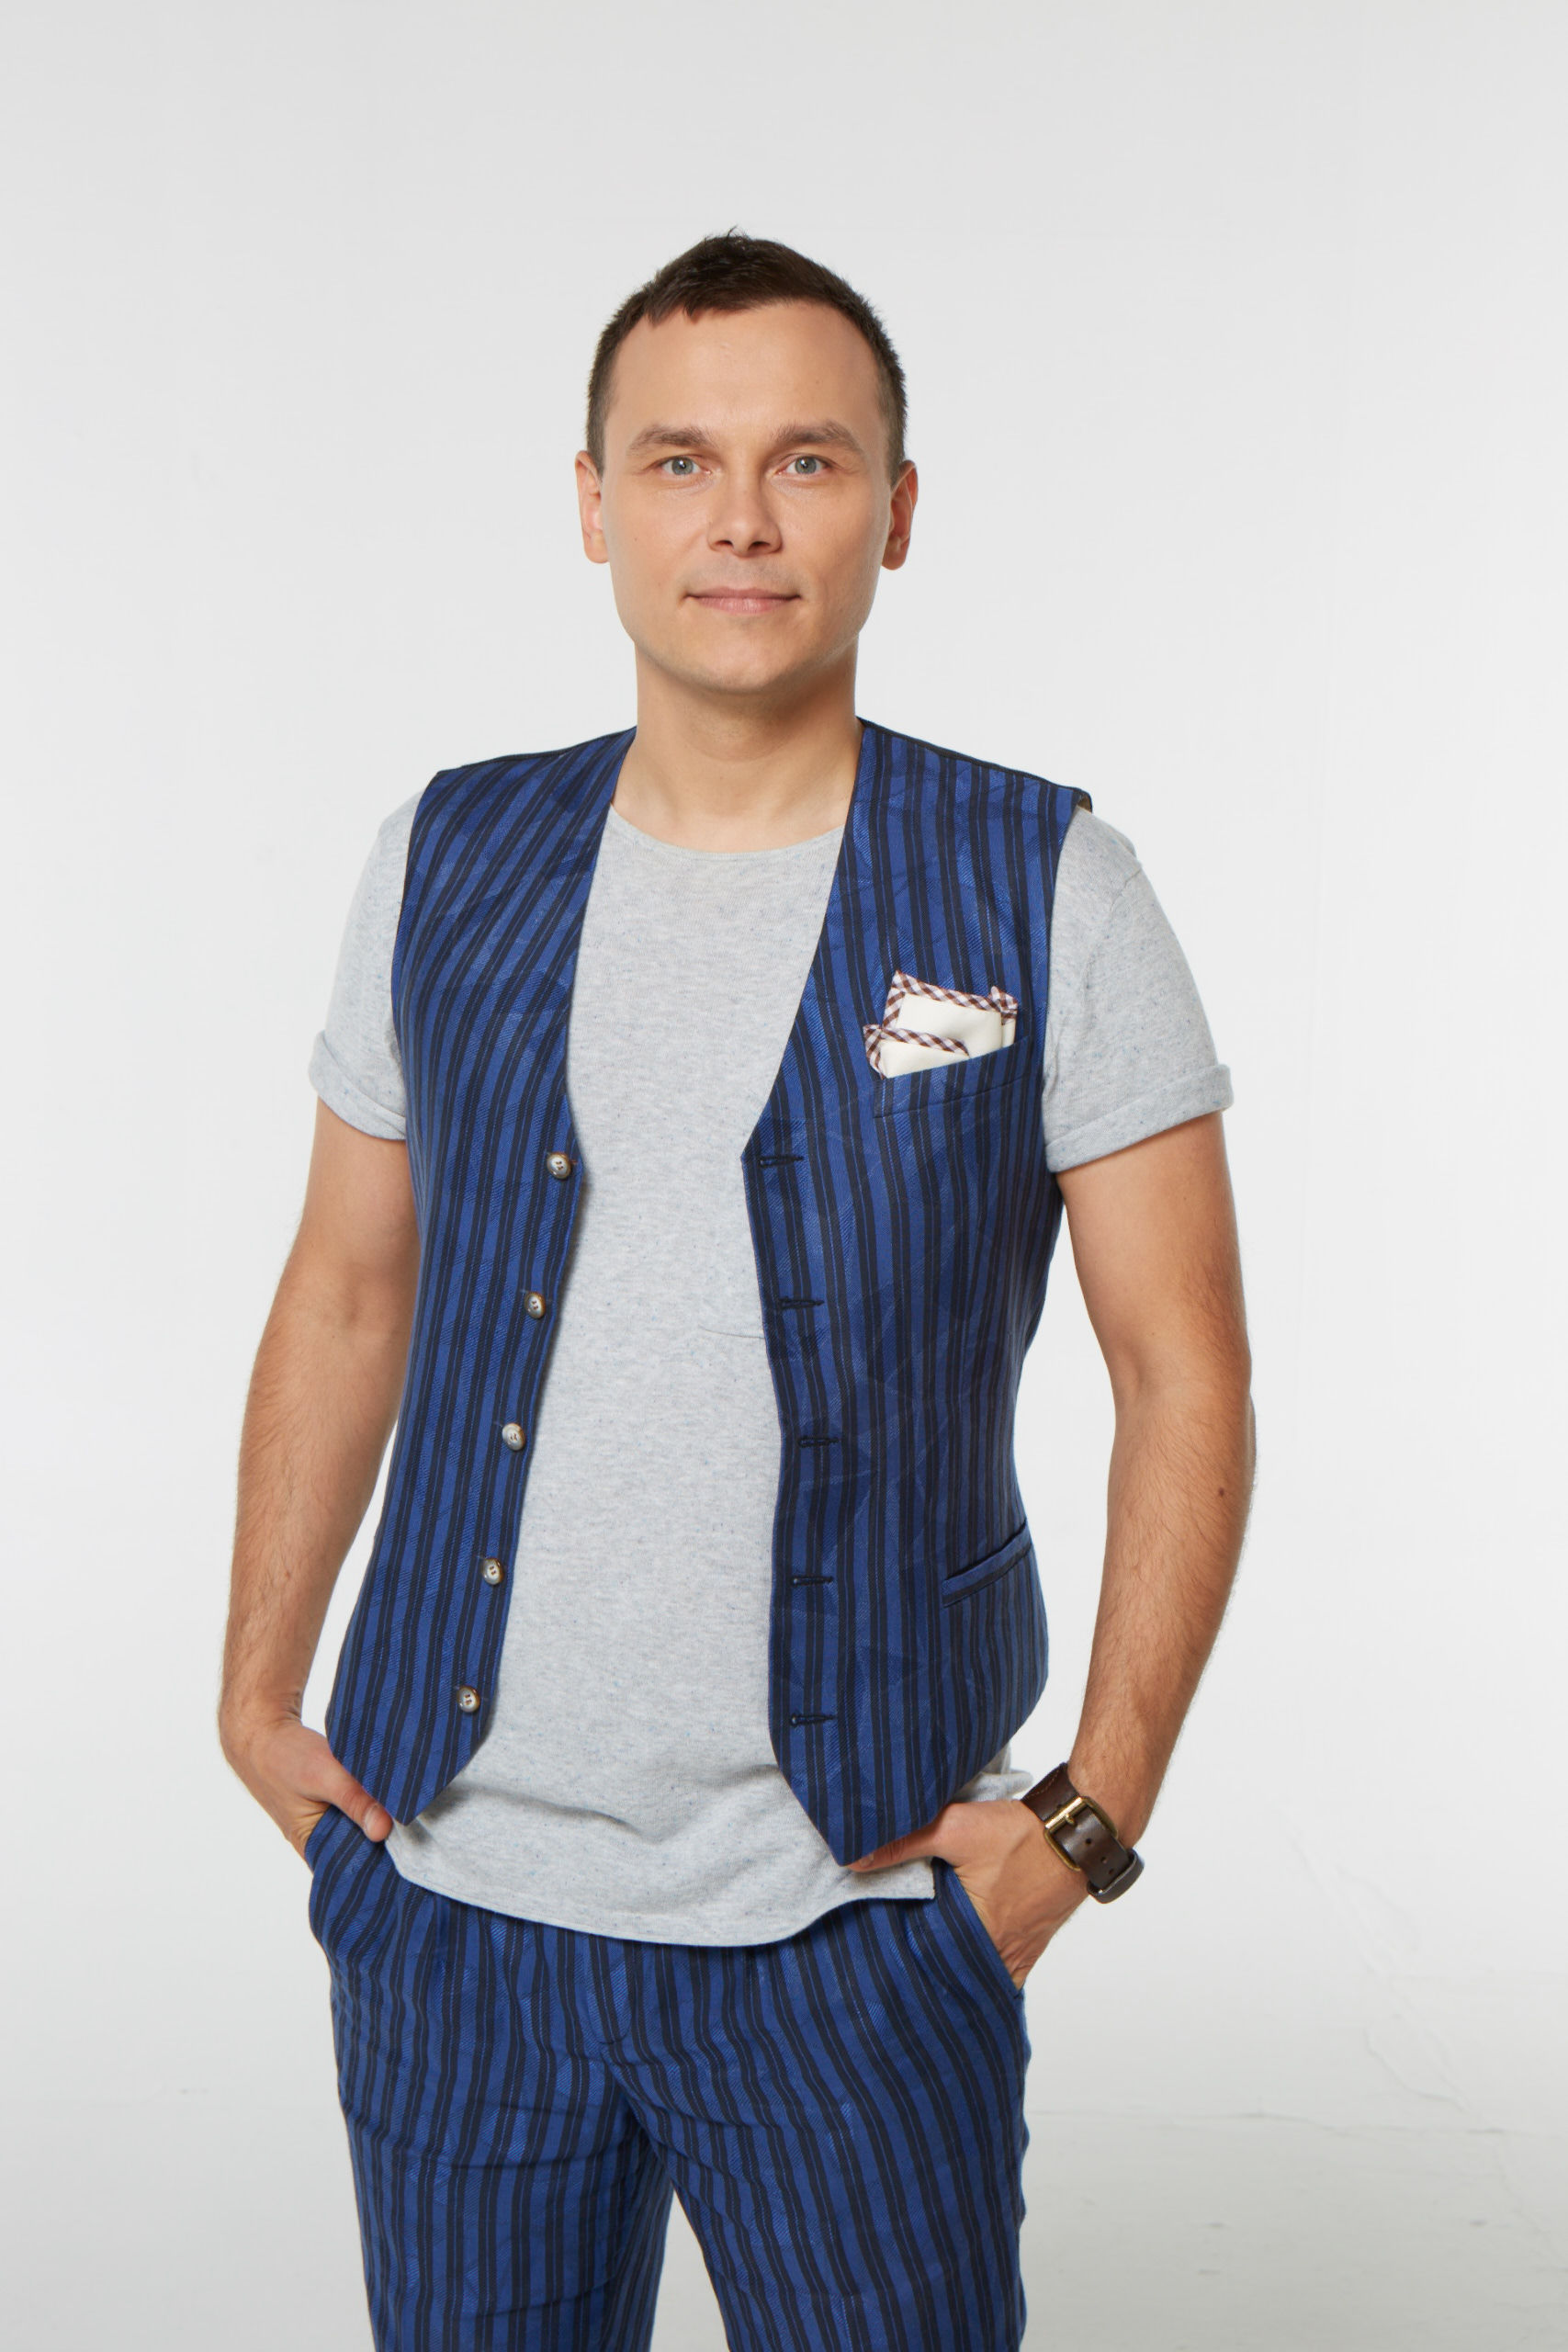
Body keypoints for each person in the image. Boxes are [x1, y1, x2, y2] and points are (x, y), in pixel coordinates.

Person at [219, 232, 1255, 2352]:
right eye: (679, 460)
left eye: (808, 459)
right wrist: (253, 1688)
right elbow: (344, 1287)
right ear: (594, 504)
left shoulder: (1044, 883)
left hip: (859, 1921)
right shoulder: (442, 855)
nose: (744, 519)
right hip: (444, 1900)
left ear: (895, 506)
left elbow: (1184, 1372)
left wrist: (1084, 1819)